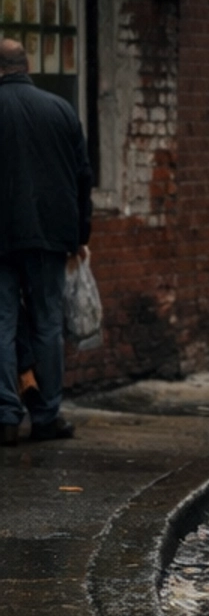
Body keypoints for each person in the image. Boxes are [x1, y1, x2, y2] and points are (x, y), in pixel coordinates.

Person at [0, 36, 93, 446]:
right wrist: (80, 235)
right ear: (28, 65)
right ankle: (46, 415)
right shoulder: (61, 109)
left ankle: (5, 415)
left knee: (1, 323)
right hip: (51, 237)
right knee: (47, 323)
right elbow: (82, 178)